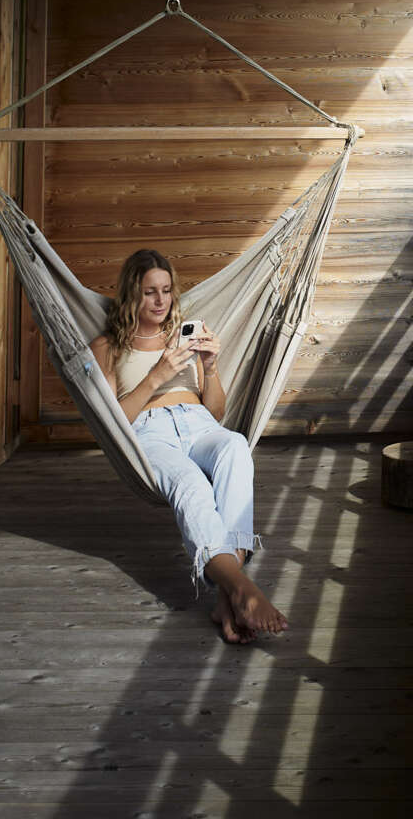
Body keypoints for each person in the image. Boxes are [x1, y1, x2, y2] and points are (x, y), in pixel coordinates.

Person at [90, 248, 288, 644]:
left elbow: (214, 412)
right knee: (191, 484)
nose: (161, 301)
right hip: (148, 431)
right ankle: (240, 588)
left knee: (234, 446)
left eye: (166, 290)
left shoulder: (185, 335)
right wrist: (156, 376)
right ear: (132, 294)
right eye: (150, 292)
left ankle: (228, 596)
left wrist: (211, 367)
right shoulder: (107, 346)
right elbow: (115, 420)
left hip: (197, 422)